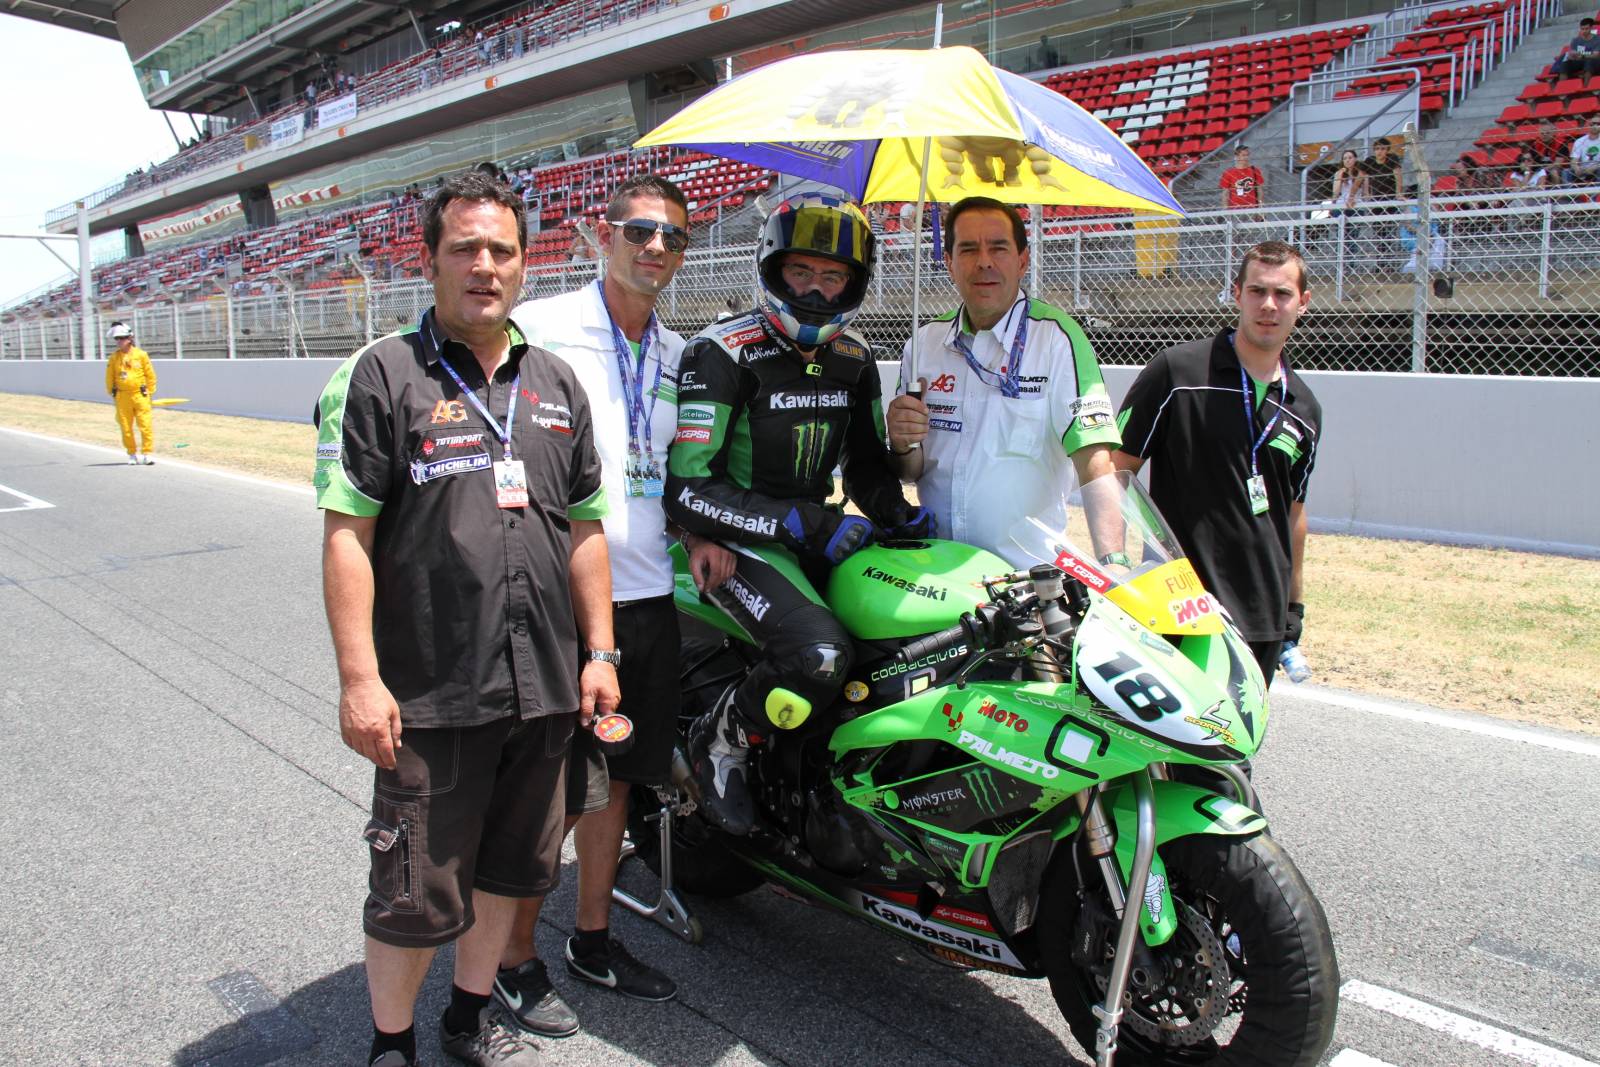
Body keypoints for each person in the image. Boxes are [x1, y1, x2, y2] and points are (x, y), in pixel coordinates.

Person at [314, 168, 618, 1067]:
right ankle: (392, 1042)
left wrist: (599, 649)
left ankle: (467, 1014)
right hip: (430, 693)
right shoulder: (382, 375)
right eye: (465, 249)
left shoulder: (557, 382)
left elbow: (587, 531)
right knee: (412, 891)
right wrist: (361, 680)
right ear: (430, 259)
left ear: (526, 264)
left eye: (502, 250)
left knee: (509, 874)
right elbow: (345, 537)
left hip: (547, 691)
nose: (485, 265)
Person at [497, 175, 735, 1032]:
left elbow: (684, 475)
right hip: (556, 603)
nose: (656, 248)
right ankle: (511, 957)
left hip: (647, 598)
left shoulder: (682, 357)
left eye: (674, 237)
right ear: (604, 234)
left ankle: (590, 938)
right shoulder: (546, 328)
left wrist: (703, 530)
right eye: (640, 231)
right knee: (548, 794)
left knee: (620, 784)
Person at [665, 194, 925, 835]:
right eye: (802, 272)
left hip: (820, 534)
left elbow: (867, 467)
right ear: (772, 269)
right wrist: (803, 524)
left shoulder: (856, 359)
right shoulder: (720, 354)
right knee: (820, 655)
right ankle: (717, 748)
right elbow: (688, 490)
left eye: (833, 276)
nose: (816, 289)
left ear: (854, 284)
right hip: (742, 538)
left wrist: (904, 517)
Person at [1111, 241, 1323, 685]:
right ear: (1235, 293)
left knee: (1233, 751)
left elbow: (1294, 514)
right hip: (1181, 606)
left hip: (1263, 612)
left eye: (1282, 294)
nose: (1269, 305)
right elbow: (1115, 473)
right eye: (1256, 291)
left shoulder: (1305, 407)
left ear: (1302, 302)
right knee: (1172, 749)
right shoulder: (1177, 372)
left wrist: (1293, 606)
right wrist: (1113, 564)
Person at [883, 196, 1122, 563]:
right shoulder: (923, 345)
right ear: (948, 262)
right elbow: (909, 472)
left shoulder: (1058, 340)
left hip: (1024, 582)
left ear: (1023, 260)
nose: (983, 261)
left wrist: (1114, 563)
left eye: (998, 247)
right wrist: (901, 445)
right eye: (967, 249)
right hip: (938, 571)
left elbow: (1096, 462)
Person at [105, 322, 157, 465]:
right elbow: (109, 376)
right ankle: (132, 454)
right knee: (126, 427)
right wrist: (112, 391)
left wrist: (150, 391)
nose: (119, 341)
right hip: (123, 396)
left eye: (122, 338)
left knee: (145, 425)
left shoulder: (141, 355)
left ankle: (147, 453)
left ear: (129, 338)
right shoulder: (114, 358)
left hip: (140, 395)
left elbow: (150, 374)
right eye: (117, 339)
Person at [1219, 145, 1265, 212]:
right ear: (1237, 157)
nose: (1246, 157)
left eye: (1247, 155)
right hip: (1234, 209)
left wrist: (1261, 207)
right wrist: (1225, 210)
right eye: (1243, 155)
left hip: (1252, 208)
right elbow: (1225, 193)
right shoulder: (1228, 173)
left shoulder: (1255, 170)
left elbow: (1260, 191)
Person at [1330, 149, 1366, 216]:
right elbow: (1336, 192)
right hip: (1341, 205)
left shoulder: (1361, 173)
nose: (1347, 160)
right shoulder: (1338, 173)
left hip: (1357, 204)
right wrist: (1340, 176)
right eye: (1345, 158)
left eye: (1350, 158)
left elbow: (1365, 193)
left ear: (1355, 159)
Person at [1568, 118, 1600, 183]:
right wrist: (1576, 168)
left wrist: (1594, 168)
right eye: (1592, 124)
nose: (1595, 126)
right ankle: (1568, 192)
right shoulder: (1579, 141)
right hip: (1582, 168)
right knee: (1566, 172)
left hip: (1597, 167)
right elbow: (1574, 160)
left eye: (1598, 124)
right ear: (1588, 125)